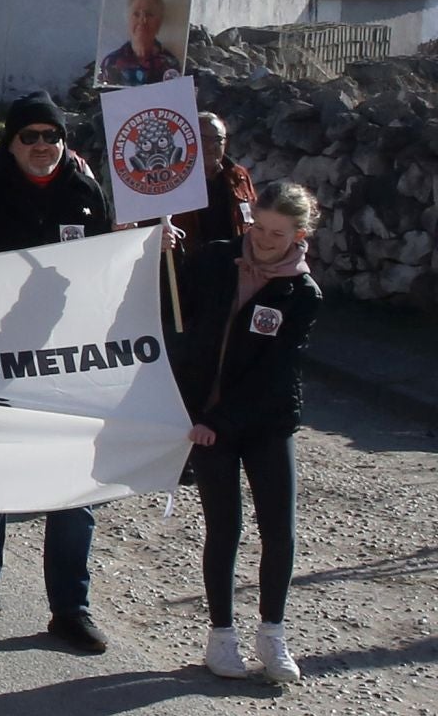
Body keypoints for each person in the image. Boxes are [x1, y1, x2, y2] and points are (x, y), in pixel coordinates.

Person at [0, 92, 115, 655]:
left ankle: (71, 607)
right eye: (30, 137)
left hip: (69, 359)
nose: (42, 146)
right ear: (10, 141)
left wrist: (149, 247)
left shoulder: (85, 190)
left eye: (52, 135)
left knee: (76, 484)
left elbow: (105, 263)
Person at [174, 181, 322, 684]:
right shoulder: (215, 259)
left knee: (278, 530)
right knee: (225, 528)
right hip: (206, 422)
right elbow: (173, 308)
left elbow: (274, 373)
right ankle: (221, 636)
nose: (262, 240)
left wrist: (219, 420)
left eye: (276, 233)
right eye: (257, 227)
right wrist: (161, 252)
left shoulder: (301, 292)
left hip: (263, 420)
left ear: (299, 235)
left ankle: (273, 633)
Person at [171, 112, 257, 252]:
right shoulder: (170, 180)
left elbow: (254, 220)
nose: (211, 146)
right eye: (203, 139)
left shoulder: (238, 176)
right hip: (187, 266)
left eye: (218, 139)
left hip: (234, 265)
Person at [100, 0, 183, 85]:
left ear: (159, 23)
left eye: (149, 14)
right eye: (136, 14)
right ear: (128, 20)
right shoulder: (110, 62)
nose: (143, 20)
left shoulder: (170, 65)